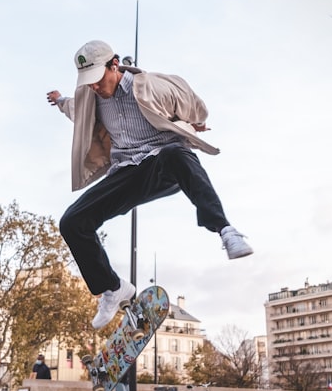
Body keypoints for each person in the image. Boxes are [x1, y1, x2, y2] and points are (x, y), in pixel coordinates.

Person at [46, 40, 253, 330]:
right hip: (125, 173)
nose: (94, 87)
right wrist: (58, 100)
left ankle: (225, 230)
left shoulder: (152, 86)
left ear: (114, 65)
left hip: (162, 163)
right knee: (71, 222)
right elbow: (73, 109)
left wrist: (192, 123)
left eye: (97, 80)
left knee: (177, 152)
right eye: (88, 83)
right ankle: (112, 287)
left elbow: (193, 104)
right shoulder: (90, 98)